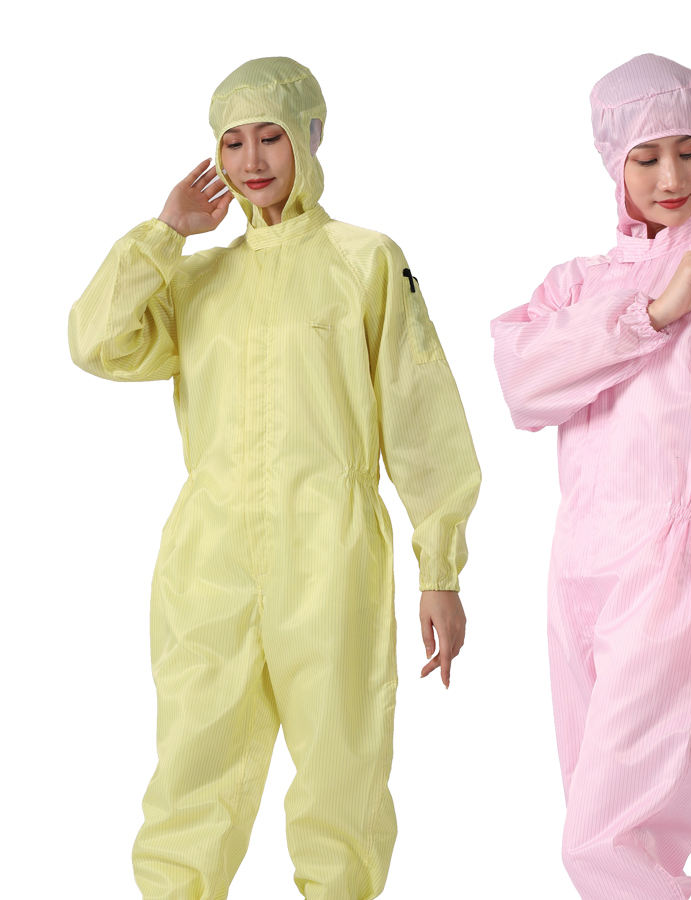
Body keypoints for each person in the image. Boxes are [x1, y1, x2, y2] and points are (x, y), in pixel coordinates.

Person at [68, 56, 481, 900]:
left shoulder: (366, 261)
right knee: (192, 765)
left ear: (310, 138)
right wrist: (165, 233)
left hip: (329, 551)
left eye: (272, 137)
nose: (252, 160)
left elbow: (421, 416)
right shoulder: (196, 279)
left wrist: (439, 569)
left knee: (342, 767)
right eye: (233, 141)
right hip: (209, 555)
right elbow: (95, 343)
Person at [490, 53, 691, 899]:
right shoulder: (580, 283)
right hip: (577, 576)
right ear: (614, 163)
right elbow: (523, 385)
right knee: (598, 822)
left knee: (607, 840)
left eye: (687, 151)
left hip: (674, 582)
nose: (671, 178)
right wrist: (652, 312)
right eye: (646, 157)